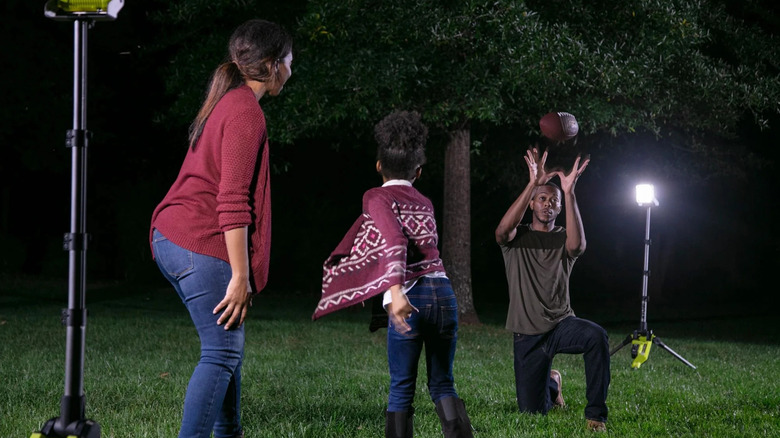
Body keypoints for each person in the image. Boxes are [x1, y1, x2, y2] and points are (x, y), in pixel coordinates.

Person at [149, 19, 293, 438]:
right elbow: (231, 201)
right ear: (270, 65)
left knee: (229, 349)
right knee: (221, 351)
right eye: (288, 62)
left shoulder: (227, 103)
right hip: (197, 240)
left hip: (172, 236)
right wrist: (240, 277)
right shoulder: (246, 111)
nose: (290, 71)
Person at [312, 110, 474, 438]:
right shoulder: (425, 201)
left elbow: (395, 239)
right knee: (443, 382)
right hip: (443, 293)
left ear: (378, 166)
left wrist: (396, 292)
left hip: (410, 295)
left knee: (401, 387)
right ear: (418, 171)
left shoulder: (376, 196)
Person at [494, 147, 610, 432]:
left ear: (559, 208)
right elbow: (501, 231)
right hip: (527, 334)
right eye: (542, 199)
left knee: (596, 336)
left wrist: (568, 193)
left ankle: (596, 415)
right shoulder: (516, 239)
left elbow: (577, 246)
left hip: (561, 324)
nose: (547, 204)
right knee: (532, 412)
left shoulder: (563, 238)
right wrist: (532, 184)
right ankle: (552, 383)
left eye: (553, 201)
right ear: (532, 204)